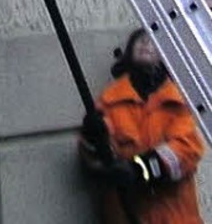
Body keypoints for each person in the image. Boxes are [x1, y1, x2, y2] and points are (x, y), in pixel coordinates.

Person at [79, 28, 205, 224]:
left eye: (153, 41)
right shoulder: (110, 102)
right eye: (141, 40)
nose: (146, 44)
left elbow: (187, 149)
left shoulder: (179, 101)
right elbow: (98, 159)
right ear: (128, 53)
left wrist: (141, 169)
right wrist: (91, 138)